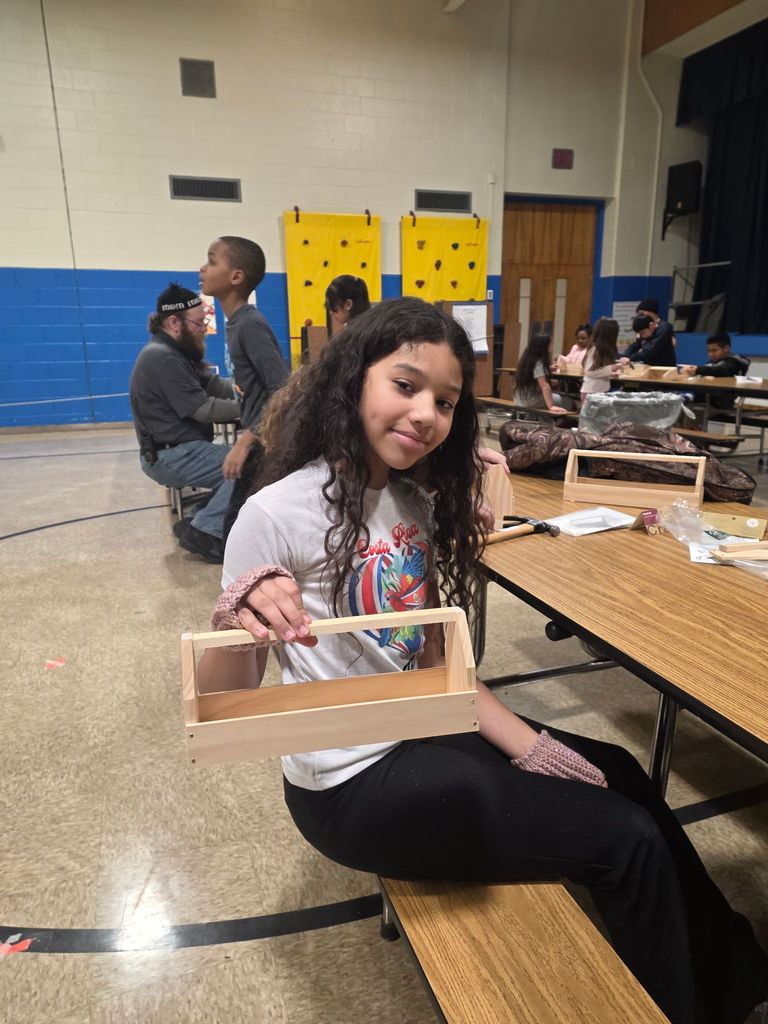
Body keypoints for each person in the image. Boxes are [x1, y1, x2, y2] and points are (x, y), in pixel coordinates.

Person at [198, 296, 768, 1024]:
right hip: (349, 783)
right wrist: (240, 611)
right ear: (352, 381)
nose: (425, 413)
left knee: (621, 775)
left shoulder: (407, 500)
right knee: (622, 842)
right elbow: (225, 706)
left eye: (444, 400)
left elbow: (441, 667)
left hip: (423, 726)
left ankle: (735, 975)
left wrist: (532, 746)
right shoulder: (277, 512)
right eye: (405, 386)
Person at [129, 283, 241, 563]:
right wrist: (251, 409)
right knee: (246, 465)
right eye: (200, 322)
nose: (204, 328)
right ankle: (205, 530)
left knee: (241, 462)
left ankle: (194, 521)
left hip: (177, 450)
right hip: (170, 455)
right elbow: (204, 409)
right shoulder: (164, 357)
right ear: (174, 321)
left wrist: (245, 390)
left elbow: (212, 383)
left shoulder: (173, 351)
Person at [199, 235, 290, 541]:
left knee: (236, 530)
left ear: (236, 276)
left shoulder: (250, 325)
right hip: (256, 440)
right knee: (235, 528)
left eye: (212, 261)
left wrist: (244, 442)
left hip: (264, 444)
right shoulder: (235, 323)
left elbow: (283, 391)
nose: (203, 268)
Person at [681, 331, 751, 411]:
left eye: (714, 350)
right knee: (677, 409)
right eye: (709, 351)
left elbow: (723, 370)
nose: (710, 354)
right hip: (703, 401)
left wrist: (698, 370)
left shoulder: (734, 363)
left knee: (689, 414)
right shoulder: (710, 363)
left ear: (726, 348)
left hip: (719, 404)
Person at [514, 333, 573, 418]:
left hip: (519, 398)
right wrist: (551, 406)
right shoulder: (539, 362)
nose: (552, 345)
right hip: (530, 401)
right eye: (551, 343)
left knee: (555, 396)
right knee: (568, 401)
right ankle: (558, 425)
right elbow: (544, 385)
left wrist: (547, 368)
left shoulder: (527, 359)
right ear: (544, 346)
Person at [620, 297, 676, 366]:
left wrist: (630, 358)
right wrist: (625, 356)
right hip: (650, 366)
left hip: (664, 367)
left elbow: (651, 349)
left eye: (641, 313)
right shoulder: (644, 328)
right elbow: (635, 344)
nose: (639, 316)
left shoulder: (664, 327)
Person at [580, 317, 620, 403]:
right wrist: (611, 368)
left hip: (600, 391)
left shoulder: (605, 349)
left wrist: (610, 374)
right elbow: (590, 372)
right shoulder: (594, 349)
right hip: (591, 392)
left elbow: (599, 370)